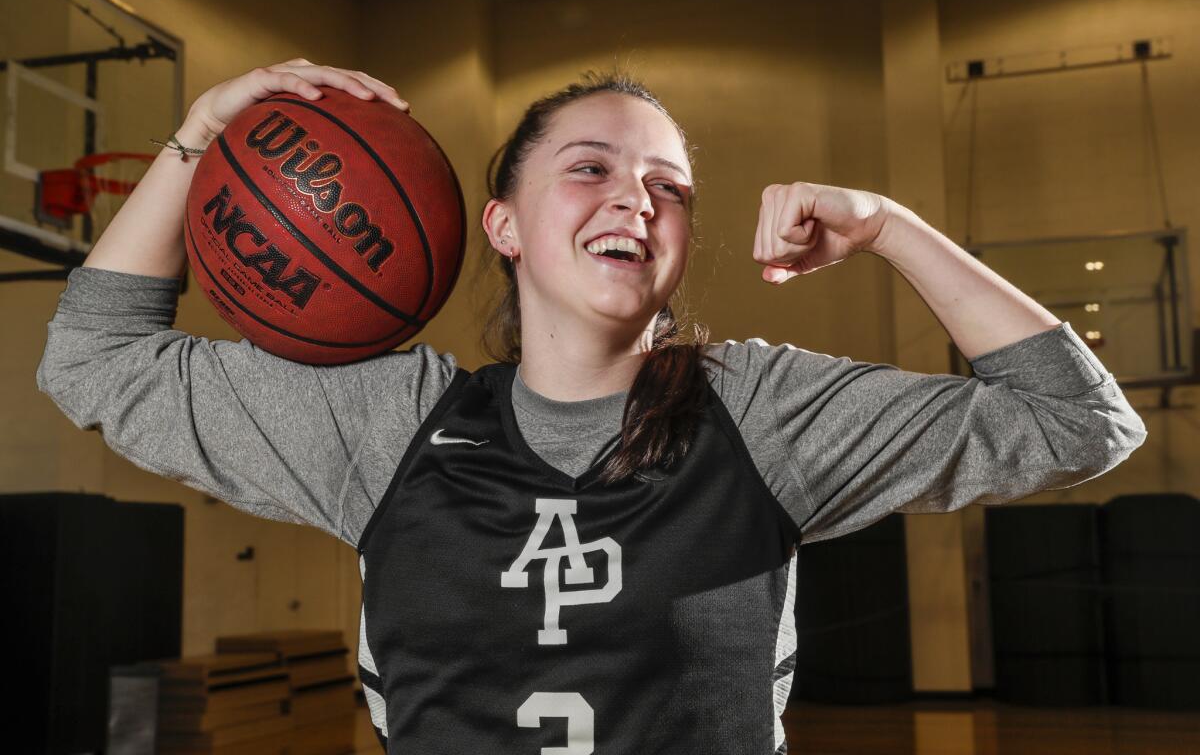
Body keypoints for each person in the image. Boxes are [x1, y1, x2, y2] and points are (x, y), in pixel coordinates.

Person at [37, 60, 1147, 753]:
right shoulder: (386, 423)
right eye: (590, 168)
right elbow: (93, 359)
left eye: (670, 186)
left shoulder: (758, 408)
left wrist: (891, 225)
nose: (637, 196)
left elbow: (1080, 422)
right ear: (503, 225)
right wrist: (198, 135)